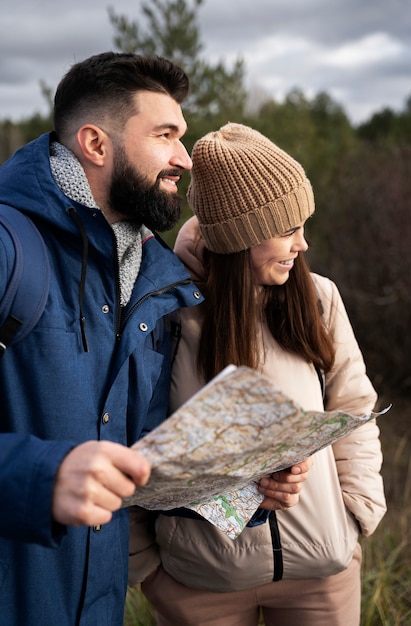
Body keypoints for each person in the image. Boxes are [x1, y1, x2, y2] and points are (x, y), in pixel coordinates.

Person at [137, 123, 387, 626]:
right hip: (201, 585)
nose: (303, 244)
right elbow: (126, 442)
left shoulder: (319, 298)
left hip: (322, 576)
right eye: (288, 229)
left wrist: (355, 514)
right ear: (240, 238)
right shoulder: (164, 312)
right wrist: (146, 568)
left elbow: (354, 406)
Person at [0, 51, 203, 626]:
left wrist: (244, 486)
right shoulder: (8, 250)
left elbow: (138, 458)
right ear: (95, 144)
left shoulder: (159, 284)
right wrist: (39, 475)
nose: (183, 158)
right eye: (165, 135)